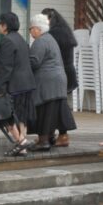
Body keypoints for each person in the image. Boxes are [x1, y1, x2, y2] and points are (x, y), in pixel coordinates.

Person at [0, 12, 35, 156]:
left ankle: (21, 142)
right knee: (22, 115)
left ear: (5, 26)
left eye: (0, 23)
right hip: (27, 84)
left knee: (6, 115)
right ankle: (22, 145)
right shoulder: (21, 39)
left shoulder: (7, 41)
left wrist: (0, 89)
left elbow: (6, 68)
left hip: (14, 85)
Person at [27, 13, 68, 151]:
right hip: (58, 80)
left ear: (37, 29)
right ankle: (49, 137)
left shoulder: (40, 41)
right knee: (51, 111)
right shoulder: (50, 39)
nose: (30, 31)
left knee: (43, 110)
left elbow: (34, 62)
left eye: (31, 28)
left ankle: (43, 141)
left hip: (47, 82)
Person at [42, 7, 79, 147]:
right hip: (68, 72)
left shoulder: (53, 34)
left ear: (49, 19)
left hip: (60, 73)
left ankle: (62, 135)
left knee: (58, 105)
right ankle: (52, 134)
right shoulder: (65, 31)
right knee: (58, 104)